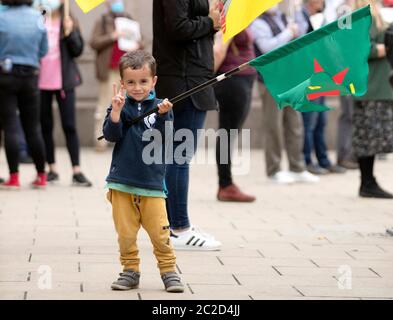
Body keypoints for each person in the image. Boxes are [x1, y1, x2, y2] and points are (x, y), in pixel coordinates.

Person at [103, 50, 184, 293]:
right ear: (122, 82)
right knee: (126, 235)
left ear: (154, 81)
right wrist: (115, 112)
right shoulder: (120, 105)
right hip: (121, 183)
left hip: (152, 185)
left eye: (143, 82)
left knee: (160, 235)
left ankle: (169, 271)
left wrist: (163, 116)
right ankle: (130, 271)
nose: (137, 88)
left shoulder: (162, 107)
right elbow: (111, 136)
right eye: (130, 82)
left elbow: (164, 141)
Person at [153, 0, 222, 250]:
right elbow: (178, 27)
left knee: (175, 157)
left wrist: (210, 25)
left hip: (190, 78)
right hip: (186, 82)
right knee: (178, 158)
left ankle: (174, 226)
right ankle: (179, 228)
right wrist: (209, 22)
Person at [251, 4, 319, 184]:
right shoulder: (258, 23)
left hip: (290, 79)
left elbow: (302, 34)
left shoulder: (283, 17)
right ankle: (274, 169)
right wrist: (288, 33)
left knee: (294, 123)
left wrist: (296, 12)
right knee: (273, 125)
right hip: (271, 81)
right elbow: (268, 47)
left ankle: (297, 167)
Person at [37, 0, 91, 186]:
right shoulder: (38, 19)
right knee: (45, 126)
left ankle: (76, 170)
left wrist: (69, 34)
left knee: (69, 126)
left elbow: (78, 50)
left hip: (64, 83)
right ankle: (51, 168)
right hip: (41, 82)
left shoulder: (69, 20)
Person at [0, 0, 48, 189]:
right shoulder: (38, 18)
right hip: (30, 75)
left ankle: (14, 177)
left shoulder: (2, 17)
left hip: (6, 74)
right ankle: (41, 175)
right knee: (33, 127)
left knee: (10, 125)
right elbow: (43, 50)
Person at [300, 0, 347, 175]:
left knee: (321, 120)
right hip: (308, 77)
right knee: (309, 121)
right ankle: (306, 160)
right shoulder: (300, 18)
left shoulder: (321, 18)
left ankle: (323, 159)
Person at [352, 0, 393, 199]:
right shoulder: (360, 18)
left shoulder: (379, 16)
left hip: (379, 87)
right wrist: (383, 49)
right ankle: (367, 182)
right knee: (368, 138)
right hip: (371, 88)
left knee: (371, 138)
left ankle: (368, 181)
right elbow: (358, 49)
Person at [90, 0, 142, 152]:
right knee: (105, 104)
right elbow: (94, 42)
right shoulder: (102, 20)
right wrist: (112, 36)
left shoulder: (129, 19)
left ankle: (126, 140)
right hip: (109, 70)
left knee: (129, 106)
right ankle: (100, 141)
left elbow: (142, 40)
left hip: (128, 71)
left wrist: (138, 43)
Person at [214, 28, 257, 202]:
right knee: (227, 133)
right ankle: (225, 185)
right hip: (233, 82)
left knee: (229, 133)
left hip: (242, 80)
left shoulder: (239, 15)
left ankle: (226, 184)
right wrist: (206, 82)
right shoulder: (230, 17)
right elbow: (218, 50)